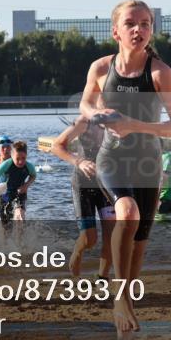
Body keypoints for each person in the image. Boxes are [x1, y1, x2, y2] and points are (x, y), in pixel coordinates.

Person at [79, 0, 171, 340]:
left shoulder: (159, 73)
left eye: (145, 23)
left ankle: (126, 301)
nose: (138, 29)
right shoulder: (100, 68)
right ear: (116, 32)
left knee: (140, 240)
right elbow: (84, 103)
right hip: (111, 158)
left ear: (151, 30)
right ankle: (119, 298)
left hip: (147, 162)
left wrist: (133, 124)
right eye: (131, 23)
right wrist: (96, 114)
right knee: (127, 212)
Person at [51, 115, 116, 278]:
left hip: (106, 184)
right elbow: (56, 146)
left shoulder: (117, 120)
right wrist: (79, 162)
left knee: (112, 235)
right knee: (89, 239)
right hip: (83, 183)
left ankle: (103, 278)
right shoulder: (84, 122)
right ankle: (77, 254)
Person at [0, 140, 36, 226]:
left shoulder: (29, 166)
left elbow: (33, 176)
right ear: (11, 156)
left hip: (20, 193)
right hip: (4, 195)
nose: (20, 161)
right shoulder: (6, 165)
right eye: (17, 159)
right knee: (7, 228)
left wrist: (26, 185)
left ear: (26, 156)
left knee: (20, 216)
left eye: (23, 158)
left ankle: (20, 239)